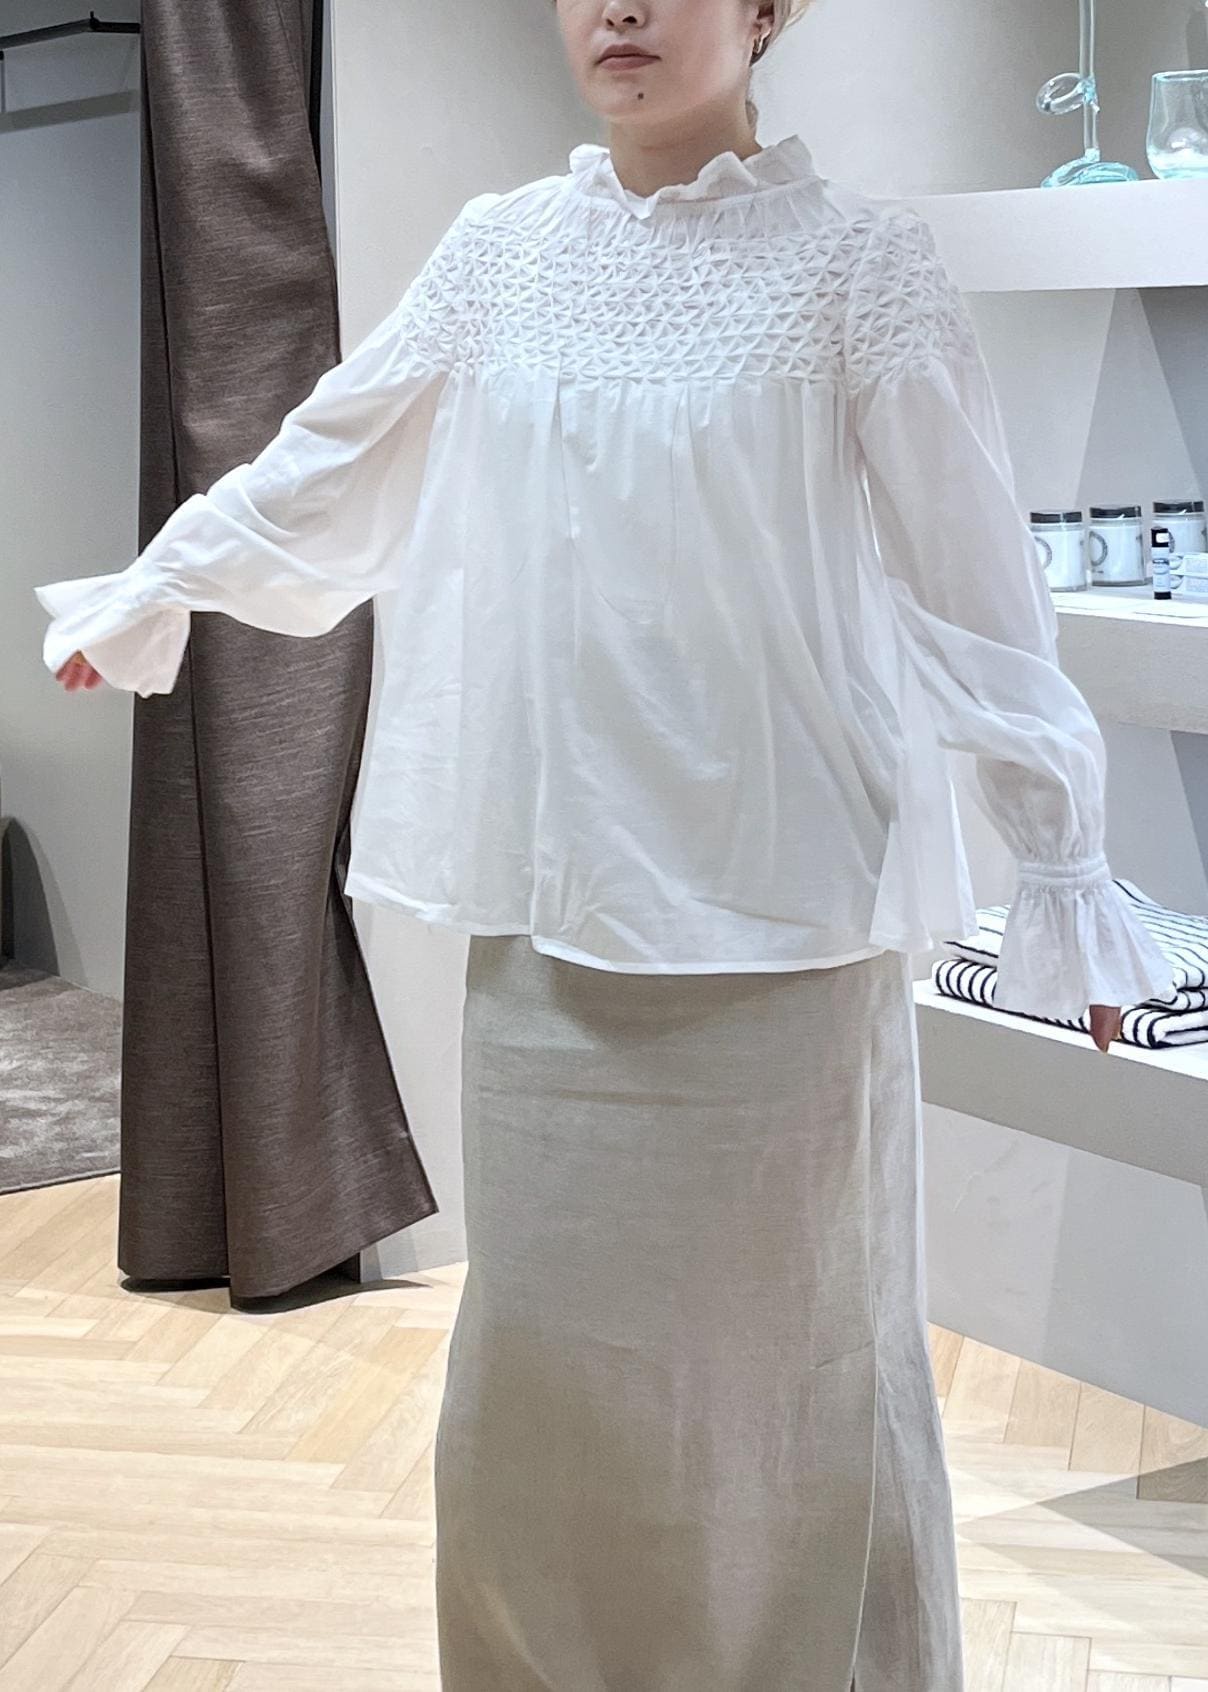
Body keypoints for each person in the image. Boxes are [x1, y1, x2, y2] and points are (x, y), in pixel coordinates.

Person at [39, 1, 1175, 1686]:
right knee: (546, 1387)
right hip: (553, 939)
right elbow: (340, 451)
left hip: (784, 938)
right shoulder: (501, 253)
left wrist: (1065, 871)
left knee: (793, 1381)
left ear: (766, 9)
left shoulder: (857, 266)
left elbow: (977, 600)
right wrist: (163, 582)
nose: (617, 10)